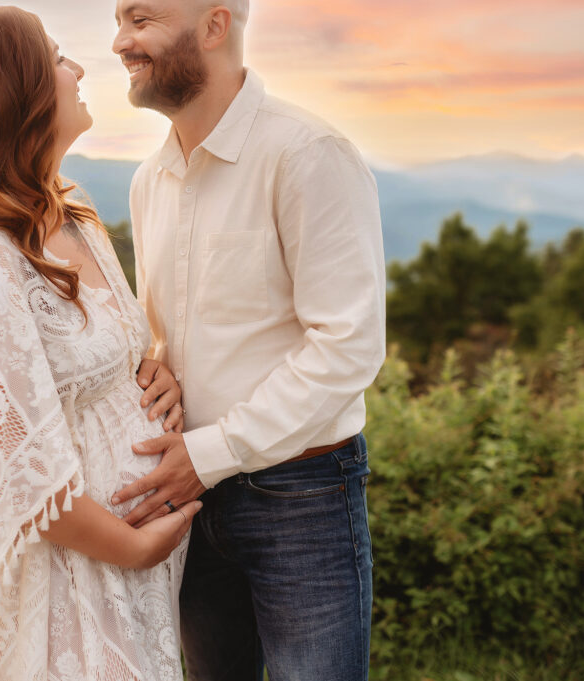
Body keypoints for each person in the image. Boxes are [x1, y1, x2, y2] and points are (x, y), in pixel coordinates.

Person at [0, 7, 202, 681]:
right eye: (58, 58)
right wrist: (135, 548)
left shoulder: (76, 218)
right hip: (70, 587)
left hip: (137, 583)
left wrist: (155, 372)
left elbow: (108, 357)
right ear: (11, 91)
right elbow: (14, 473)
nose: (80, 69)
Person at [109, 1, 387, 680]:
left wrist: (210, 453)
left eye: (140, 19)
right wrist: (156, 369)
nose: (121, 42)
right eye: (119, 21)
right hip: (189, 498)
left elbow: (348, 344)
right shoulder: (150, 180)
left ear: (214, 25)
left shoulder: (308, 153)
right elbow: (165, 338)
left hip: (302, 497)